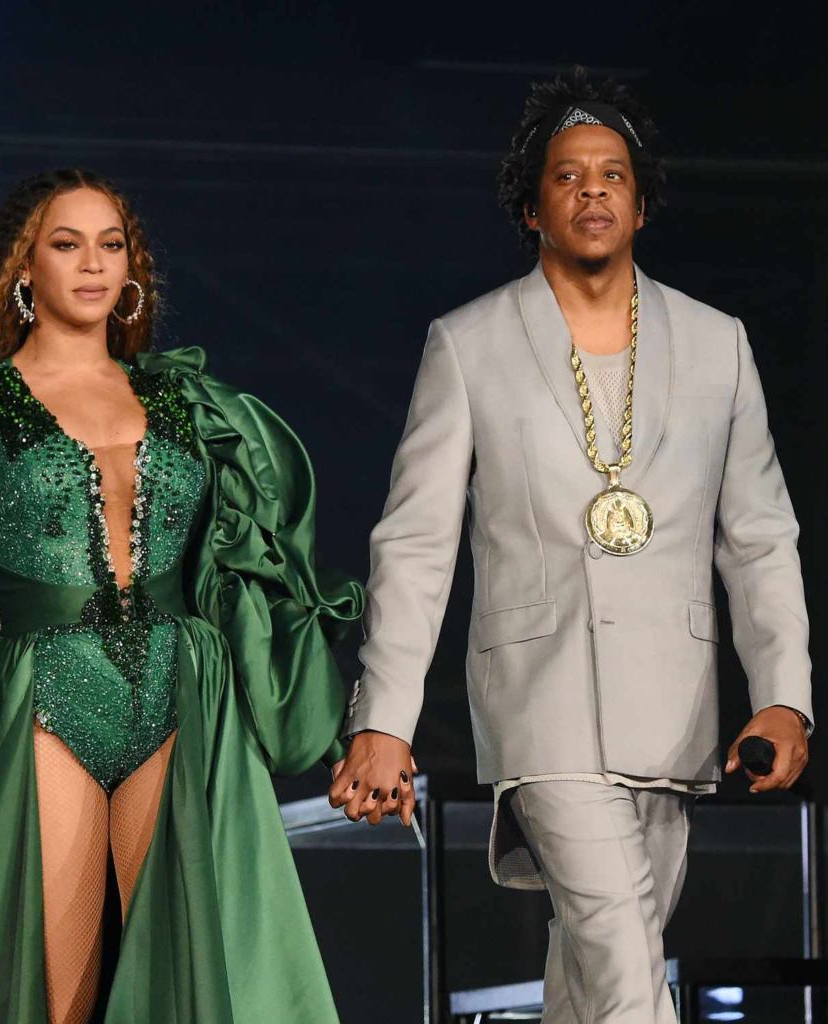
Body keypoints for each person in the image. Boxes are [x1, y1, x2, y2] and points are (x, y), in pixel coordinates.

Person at [0, 168, 362, 1024]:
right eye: (67, 244)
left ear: (133, 268)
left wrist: (336, 731)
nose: (94, 262)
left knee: (181, 986)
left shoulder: (190, 404)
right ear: (23, 268)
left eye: (112, 244)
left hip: (183, 694)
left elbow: (251, 576)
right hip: (41, 698)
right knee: (54, 997)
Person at [329, 67, 812, 1022]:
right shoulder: (469, 343)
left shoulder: (717, 344)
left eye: (613, 174)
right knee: (625, 961)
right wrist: (383, 717)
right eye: (567, 176)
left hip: (675, 712)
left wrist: (784, 697)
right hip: (539, 702)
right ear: (531, 207)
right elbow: (416, 542)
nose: (593, 190)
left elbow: (760, 538)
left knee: (593, 969)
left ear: (642, 202)